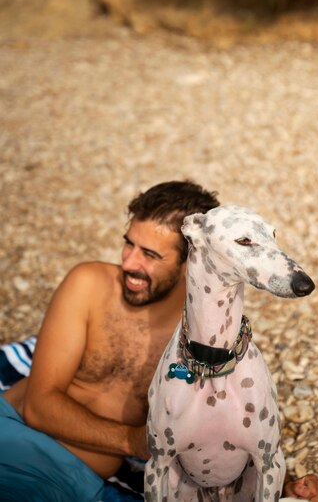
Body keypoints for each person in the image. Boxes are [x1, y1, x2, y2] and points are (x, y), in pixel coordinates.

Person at [0, 180, 220, 501]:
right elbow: (38, 405)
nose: (129, 263)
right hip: (10, 430)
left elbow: (222, 431)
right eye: (128, 243)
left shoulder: (201, 338)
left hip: (65, 476)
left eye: (149, 254)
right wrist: (135, 442)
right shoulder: (89, 284)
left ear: (193, 263)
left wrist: (282, 483)